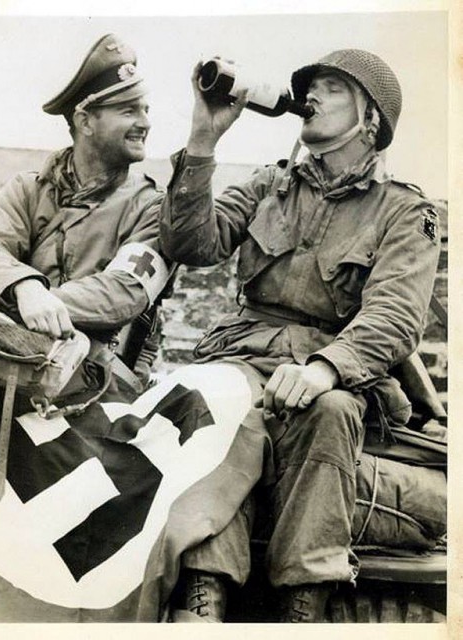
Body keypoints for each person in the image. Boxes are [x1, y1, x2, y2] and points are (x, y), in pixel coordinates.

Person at [159, 49, 441, 622]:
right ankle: (204, 588)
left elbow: (394, 314)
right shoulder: (270, 184)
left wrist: (324, 370)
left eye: (333, 87)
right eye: (312, 85)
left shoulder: (405, 212)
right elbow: (190, 245)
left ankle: (304, 603)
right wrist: (204, 139)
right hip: (242, 353)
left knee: (332, 411)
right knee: (222, 398)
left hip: (337, 366)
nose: (311, 95)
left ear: (370, 119)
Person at [0, 33, 169, 391]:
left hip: (100, 379)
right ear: (85, 121)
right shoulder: (31, 188)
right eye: (129, 110)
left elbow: (123, 293)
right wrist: (24, 289)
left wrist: (36, 299)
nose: (145, 122)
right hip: (14, 356)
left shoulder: (151, 206)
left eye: (145, 109)